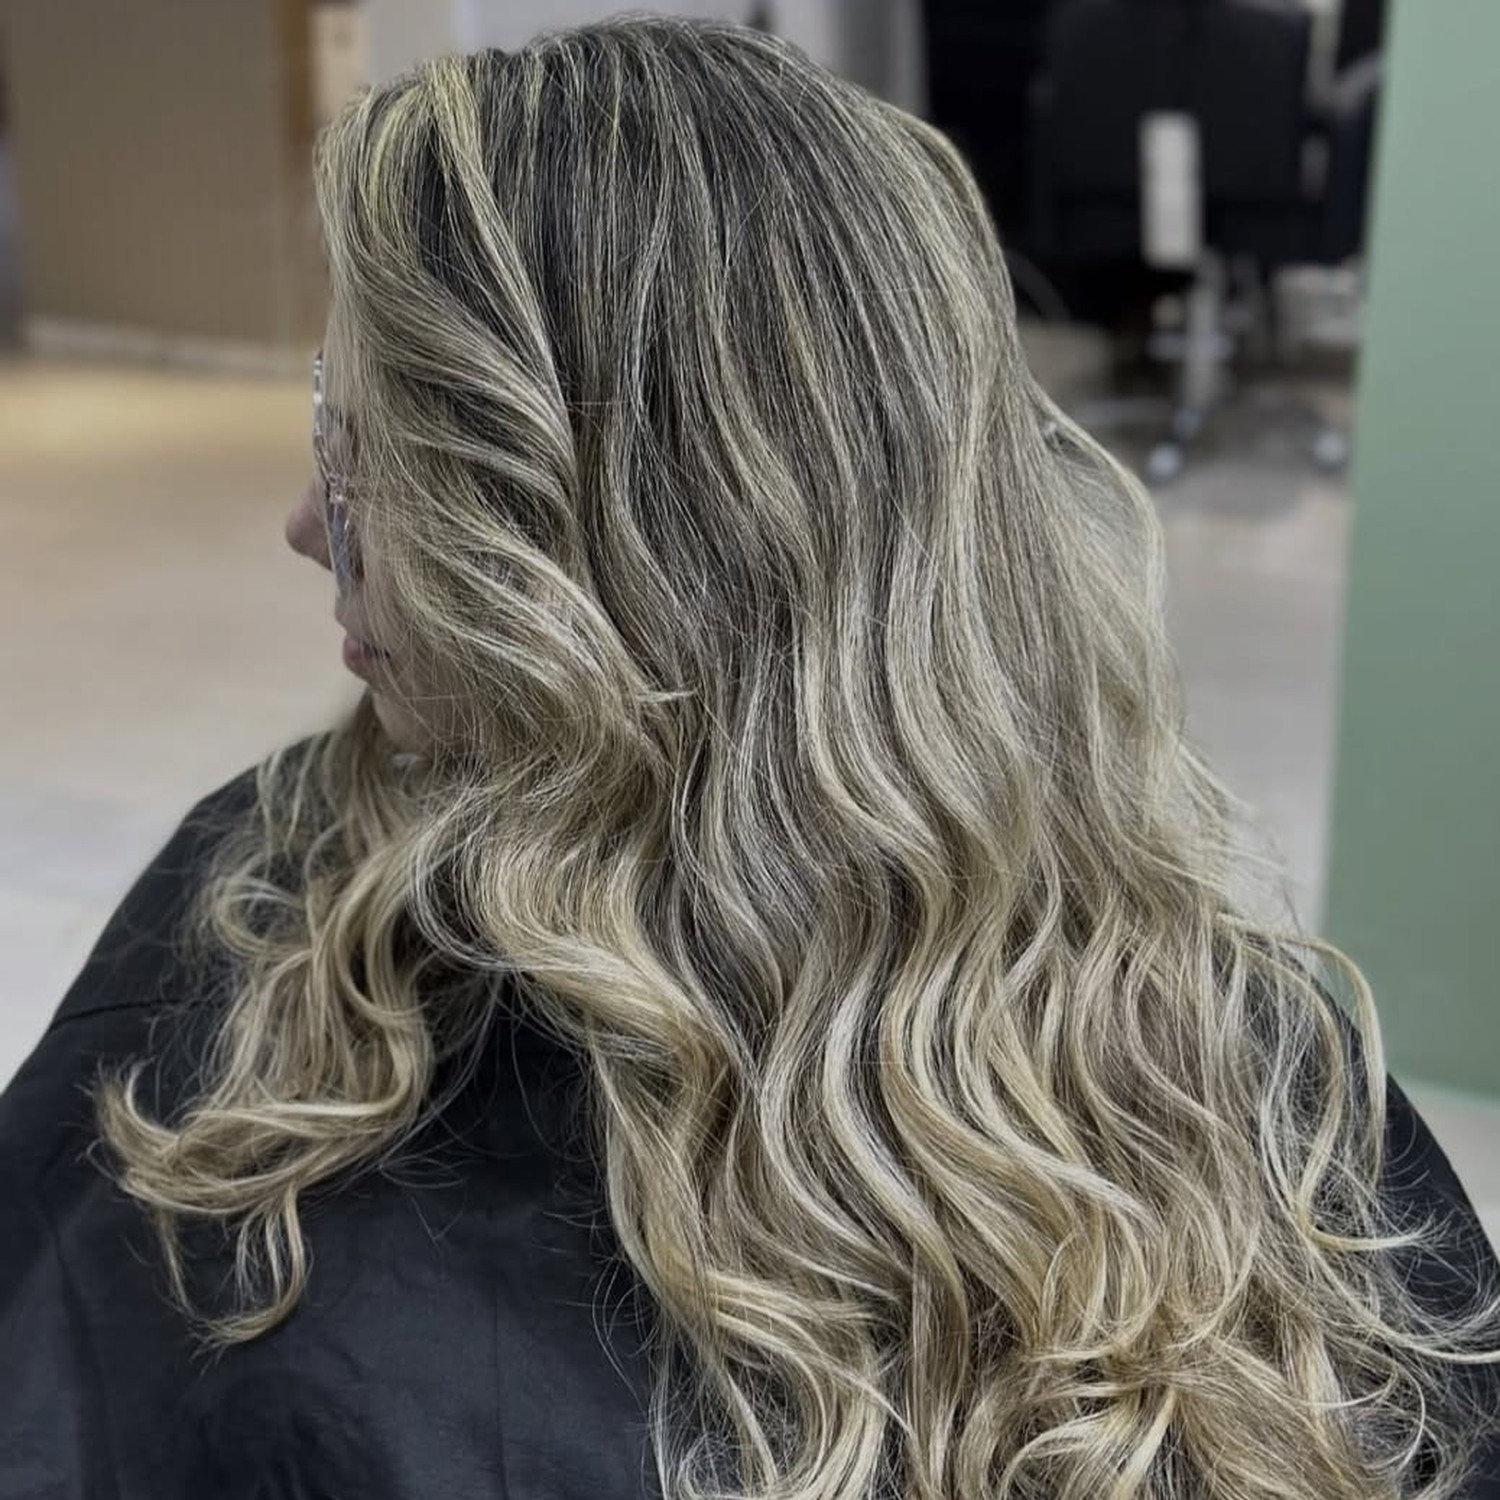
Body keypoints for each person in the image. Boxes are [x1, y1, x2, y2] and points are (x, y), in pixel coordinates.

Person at [2, 17, 1498, 1500]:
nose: (301, 530)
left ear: (581, 551)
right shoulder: (1275, 1104)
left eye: (357, 461)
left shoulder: (1280, 1106)